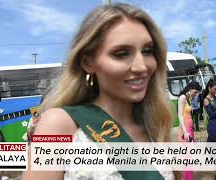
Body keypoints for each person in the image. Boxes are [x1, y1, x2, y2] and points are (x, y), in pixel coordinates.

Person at [23, 3, 179, 180]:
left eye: (147, 51)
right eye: (121, 53)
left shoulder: (156, 128)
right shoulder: (57, 125)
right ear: (88, 62)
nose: (141, 66)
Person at [177, 81, 201, 180]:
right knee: (187, 156)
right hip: (185, 129)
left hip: (189, 128)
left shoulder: (188, 98)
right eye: (195, 92)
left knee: (189, 155)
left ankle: (189, 177)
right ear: (190, 89)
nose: (196, 94)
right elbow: (179, 115)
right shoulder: (182, 97)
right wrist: (185, 131)